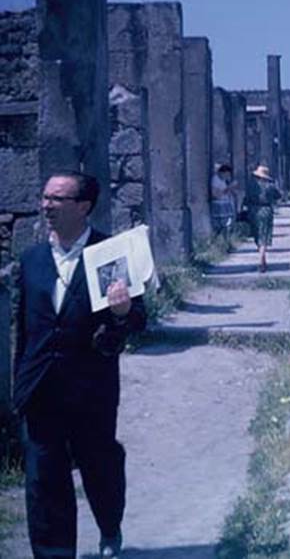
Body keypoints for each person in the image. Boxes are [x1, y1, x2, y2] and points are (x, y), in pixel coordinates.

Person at [14, 170, 147, 559]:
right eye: (45, 197)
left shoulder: (110, 254)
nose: (46, 206)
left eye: (57, 199)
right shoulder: (32, 259)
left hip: (91, 387)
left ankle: (109, 527)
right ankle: (54, 553)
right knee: (44, 477)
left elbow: (139, 319)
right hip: (40, 387)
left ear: (83, 207)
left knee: (99, 464)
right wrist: (19, 385)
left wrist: (123, 312)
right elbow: (23, 328)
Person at [245, 164, 282, 273]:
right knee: (264, 236)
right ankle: (262, 262)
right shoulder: (270, 185)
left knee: (257, 235)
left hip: (253, 210)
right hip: (266, 210)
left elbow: (246, 197)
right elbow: (278, 195)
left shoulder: (251, 184)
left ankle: (263, 260)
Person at [210, 163, 239, 249]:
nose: (228, 176)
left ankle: (226, 244)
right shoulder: (215, 180)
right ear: (223, 172)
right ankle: (217, 244)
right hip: (219, 205)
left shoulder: (224, 180)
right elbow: (215, 194)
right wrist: (229, 187)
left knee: (227, 226)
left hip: (226, 204)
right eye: (227, 174)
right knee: (220, 226)